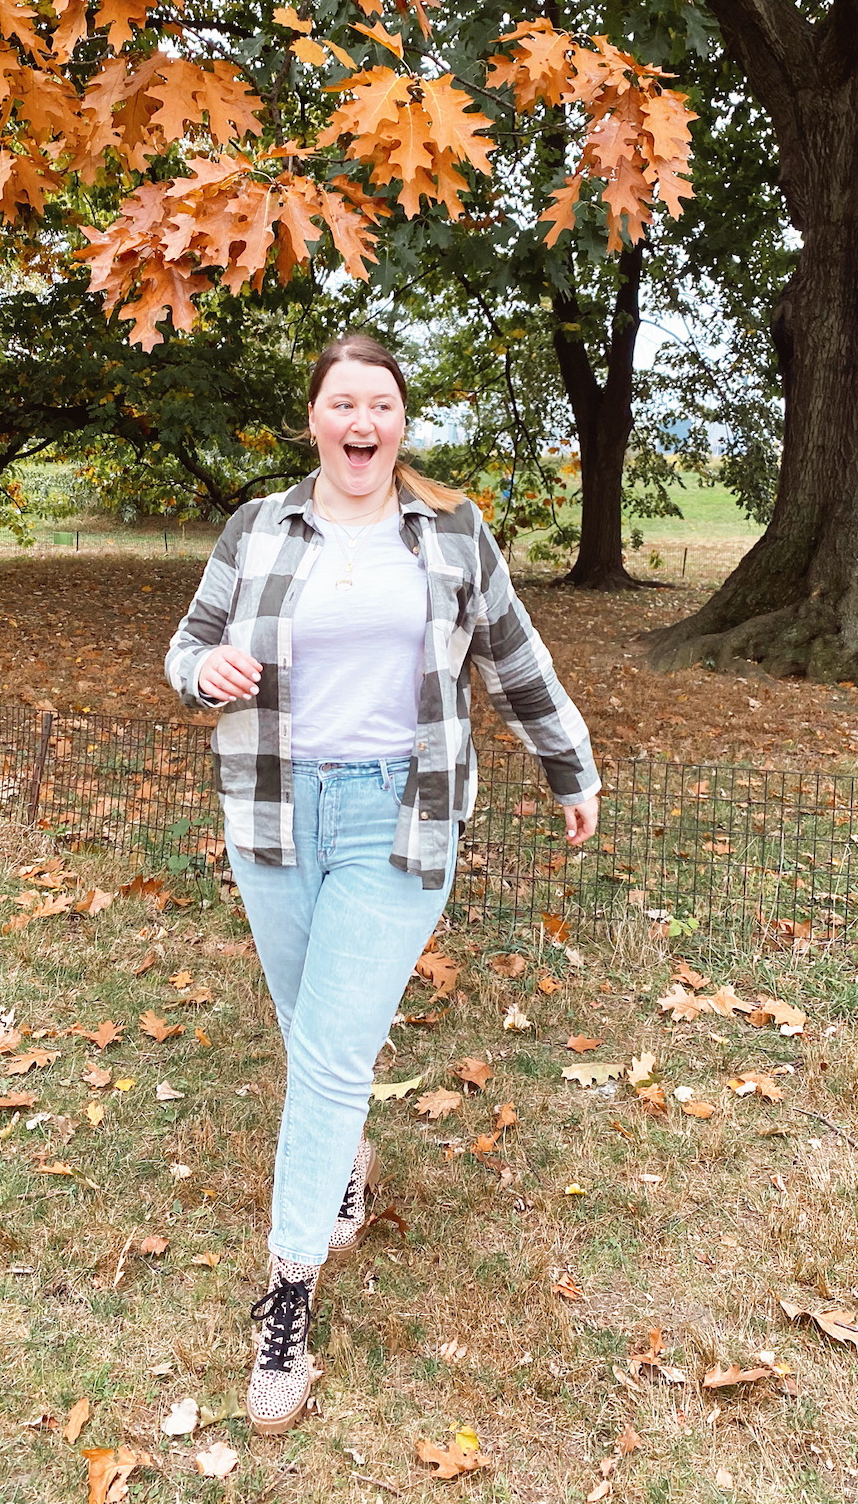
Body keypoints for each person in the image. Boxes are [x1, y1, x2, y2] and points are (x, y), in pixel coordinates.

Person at [165, 334, 599, 1435]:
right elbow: (188, 647)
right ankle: (349, 1160)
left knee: (324, 1053)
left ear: (401, 425)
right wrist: (200, 673)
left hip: (398, 821)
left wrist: (569, 763)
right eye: (342, 402)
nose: (362, 421)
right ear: (313, 417)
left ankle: (286, 1306)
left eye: (383, 404)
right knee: (310, 1025)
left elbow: (513, 655)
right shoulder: (257, 527)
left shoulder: (450, 534)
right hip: (272, 814)